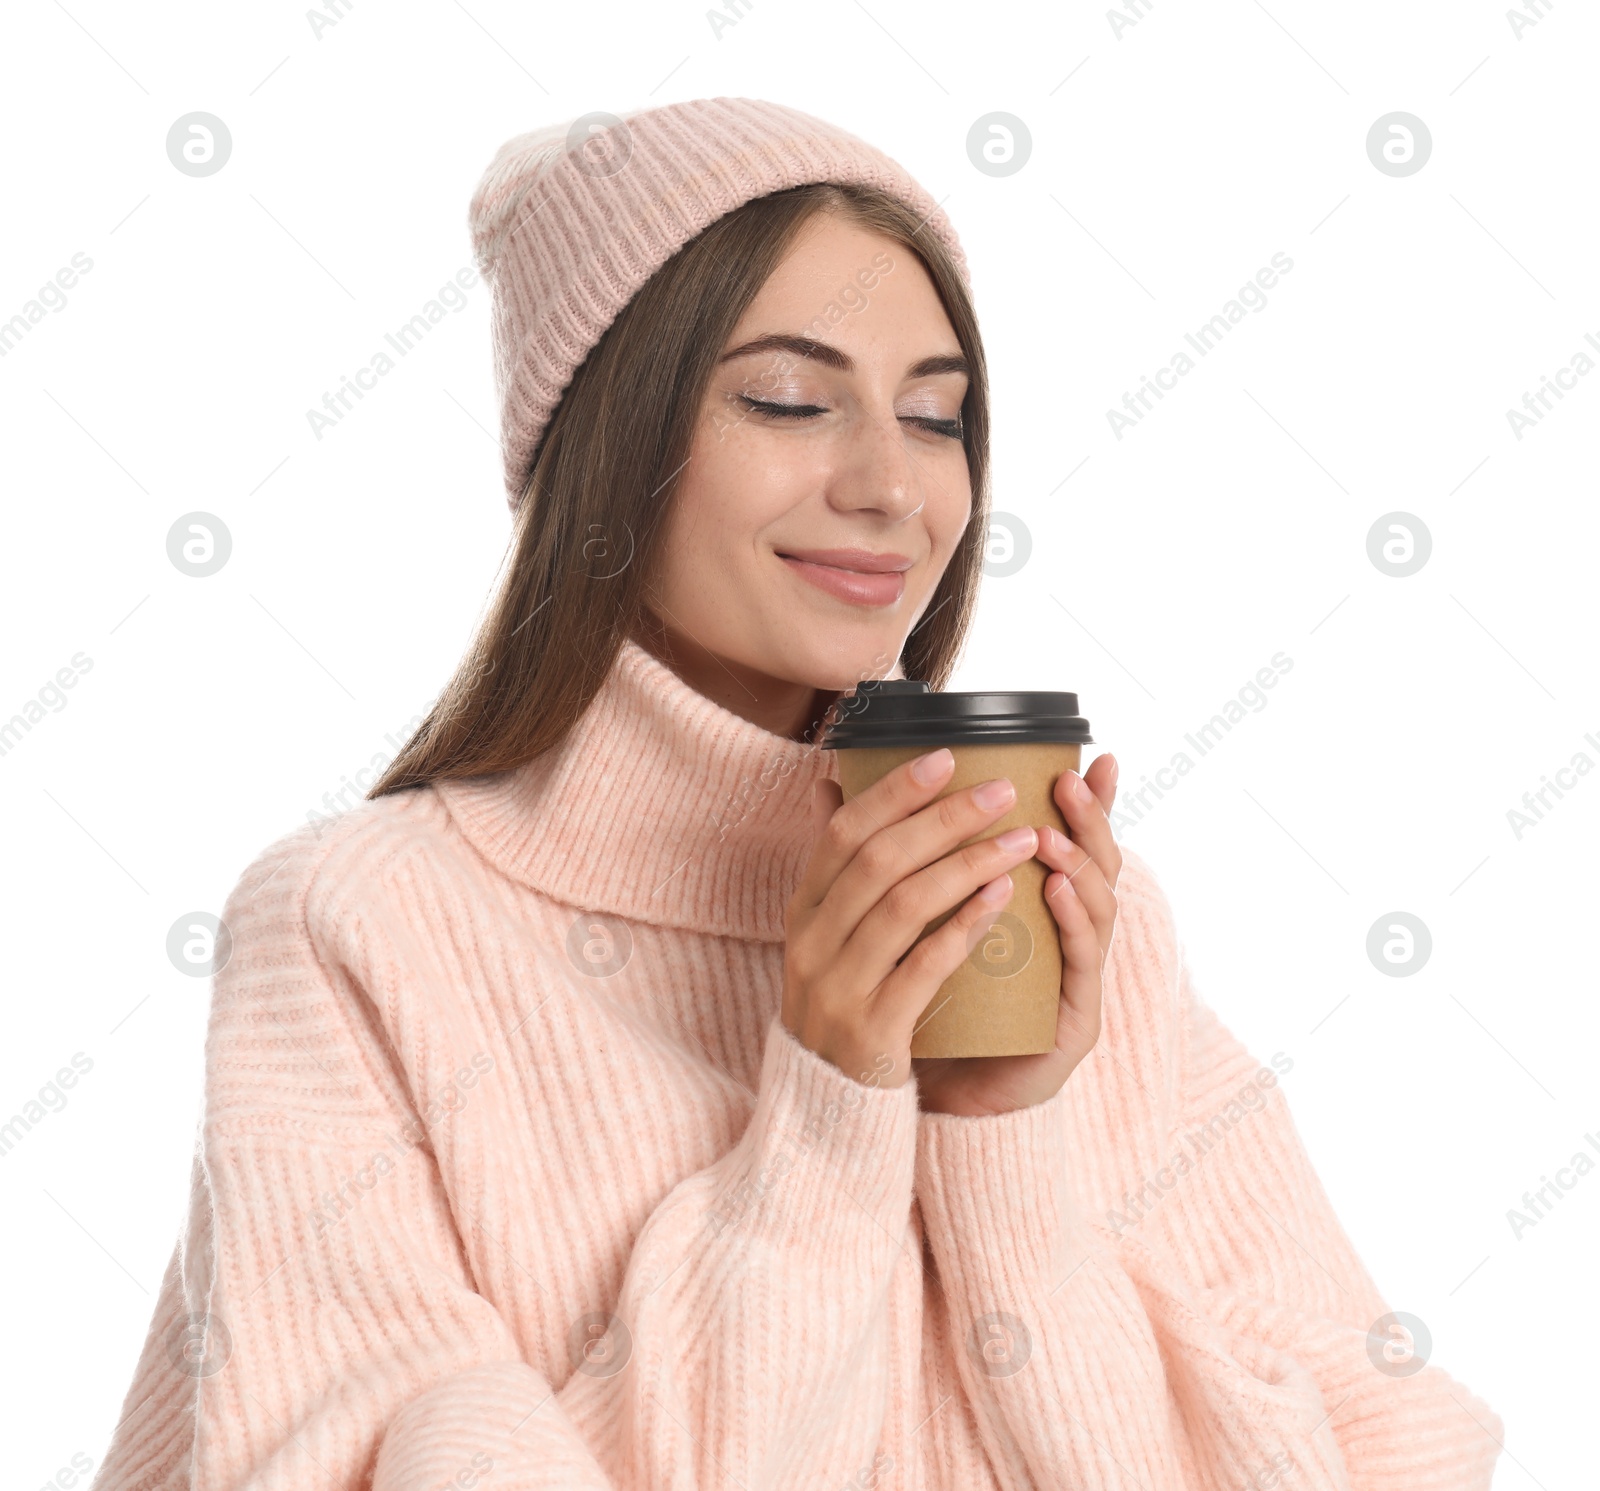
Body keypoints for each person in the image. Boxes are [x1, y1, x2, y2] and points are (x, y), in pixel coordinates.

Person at [91, 97, 1502, 1490]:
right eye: (788, 399)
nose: (894, 487)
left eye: (939, 416)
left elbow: (1374, 1458)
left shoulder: (1068, 927)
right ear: (607, 442)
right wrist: (827, 1107)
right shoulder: (362, 931)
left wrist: (1000, 1136)